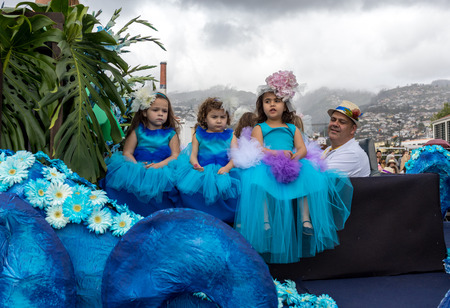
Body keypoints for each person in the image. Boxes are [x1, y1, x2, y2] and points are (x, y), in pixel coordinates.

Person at [234, 70, 353, 264]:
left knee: (308, 177)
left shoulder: (292, 128)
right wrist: (275, 154)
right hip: (268, 162)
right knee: (258, 183)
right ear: (261, 106)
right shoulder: (260, 128)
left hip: (291, 162)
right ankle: (265, 221)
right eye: (267, 101)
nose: (272, 104)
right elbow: (257, 147)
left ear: (285, 105)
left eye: (277, 100)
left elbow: (302, 148)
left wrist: (296, 157)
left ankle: (305, 218)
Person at [101, 87, 180, 216]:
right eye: (155, 110)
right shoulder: (137, 131)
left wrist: (159, 165)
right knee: (126, 188)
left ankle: (160, 215)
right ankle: (129, 213)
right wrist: (136, 166)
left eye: (164, 111)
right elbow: (127, 152)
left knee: (165, 191)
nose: (160, 113)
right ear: (144, 112)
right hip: (139, 166)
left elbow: (175, 155)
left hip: (162, 168)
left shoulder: (171, 134)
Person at [175, 98, 240, 223]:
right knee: (199, 195)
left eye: (223, 117)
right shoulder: (198, 135)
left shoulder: (231, 136)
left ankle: (224, 220)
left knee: (225, 194)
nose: (219, 120)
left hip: (224, 169)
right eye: (214, 117)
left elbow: (235, 157)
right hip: (203, 168)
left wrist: (227, 168)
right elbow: (193, 155)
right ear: (205, 118)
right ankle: (202, 219)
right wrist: (195, 164)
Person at [322, 100, 370, 177]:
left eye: (342, 122)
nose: (335, 124)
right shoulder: (329, 149)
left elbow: (315, 178)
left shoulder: (352, 154)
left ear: (353, 129)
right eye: (333, 119)